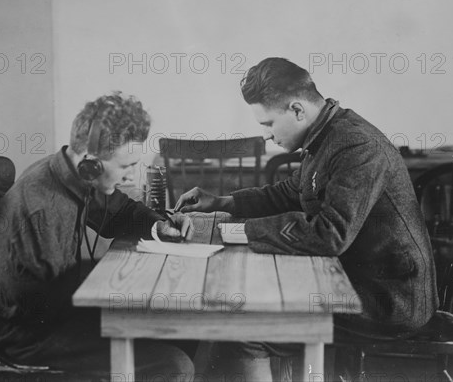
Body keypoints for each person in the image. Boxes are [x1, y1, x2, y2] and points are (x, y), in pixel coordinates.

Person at [175, 58, 439, 380]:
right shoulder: (328, 134)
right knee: (235, 313)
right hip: (352, 281)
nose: (267, 137)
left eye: (268, 124)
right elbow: (291, 191)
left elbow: (329, 234)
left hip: (387, 299)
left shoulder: (356, 145)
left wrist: (232, 230)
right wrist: (223, 202)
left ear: (298, 110)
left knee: (244, 329)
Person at [0, 92, 195, 381]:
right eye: (126, 165)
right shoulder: (40, 207)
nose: (131, 176)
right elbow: (40, 303)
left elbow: (122, 212)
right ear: (90, 161)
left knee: (184, 329)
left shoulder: (73, 173)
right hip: (29, 337)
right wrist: (124, 300)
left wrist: (160, 226)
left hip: (57, 312)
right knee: (176, 365)